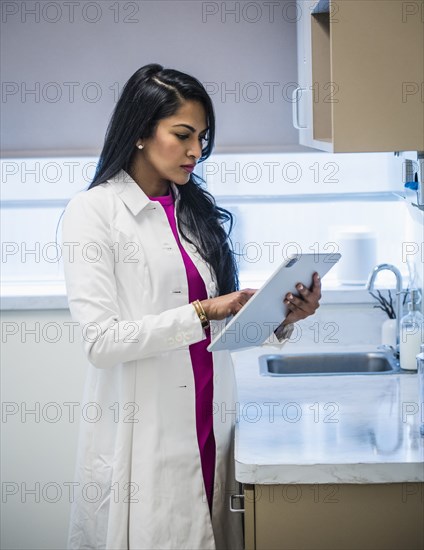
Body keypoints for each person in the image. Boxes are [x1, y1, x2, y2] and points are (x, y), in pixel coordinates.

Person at [61, 63, 321, 550]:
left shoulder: (192, 210)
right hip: (148, 432)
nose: (196, 150)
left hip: (209, 415)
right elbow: (101, 342)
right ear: (140, 131)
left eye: (201, 137)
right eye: (182, 135)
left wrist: (283, 317)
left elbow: (223, 325)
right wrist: (204, 310)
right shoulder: (92, 212)